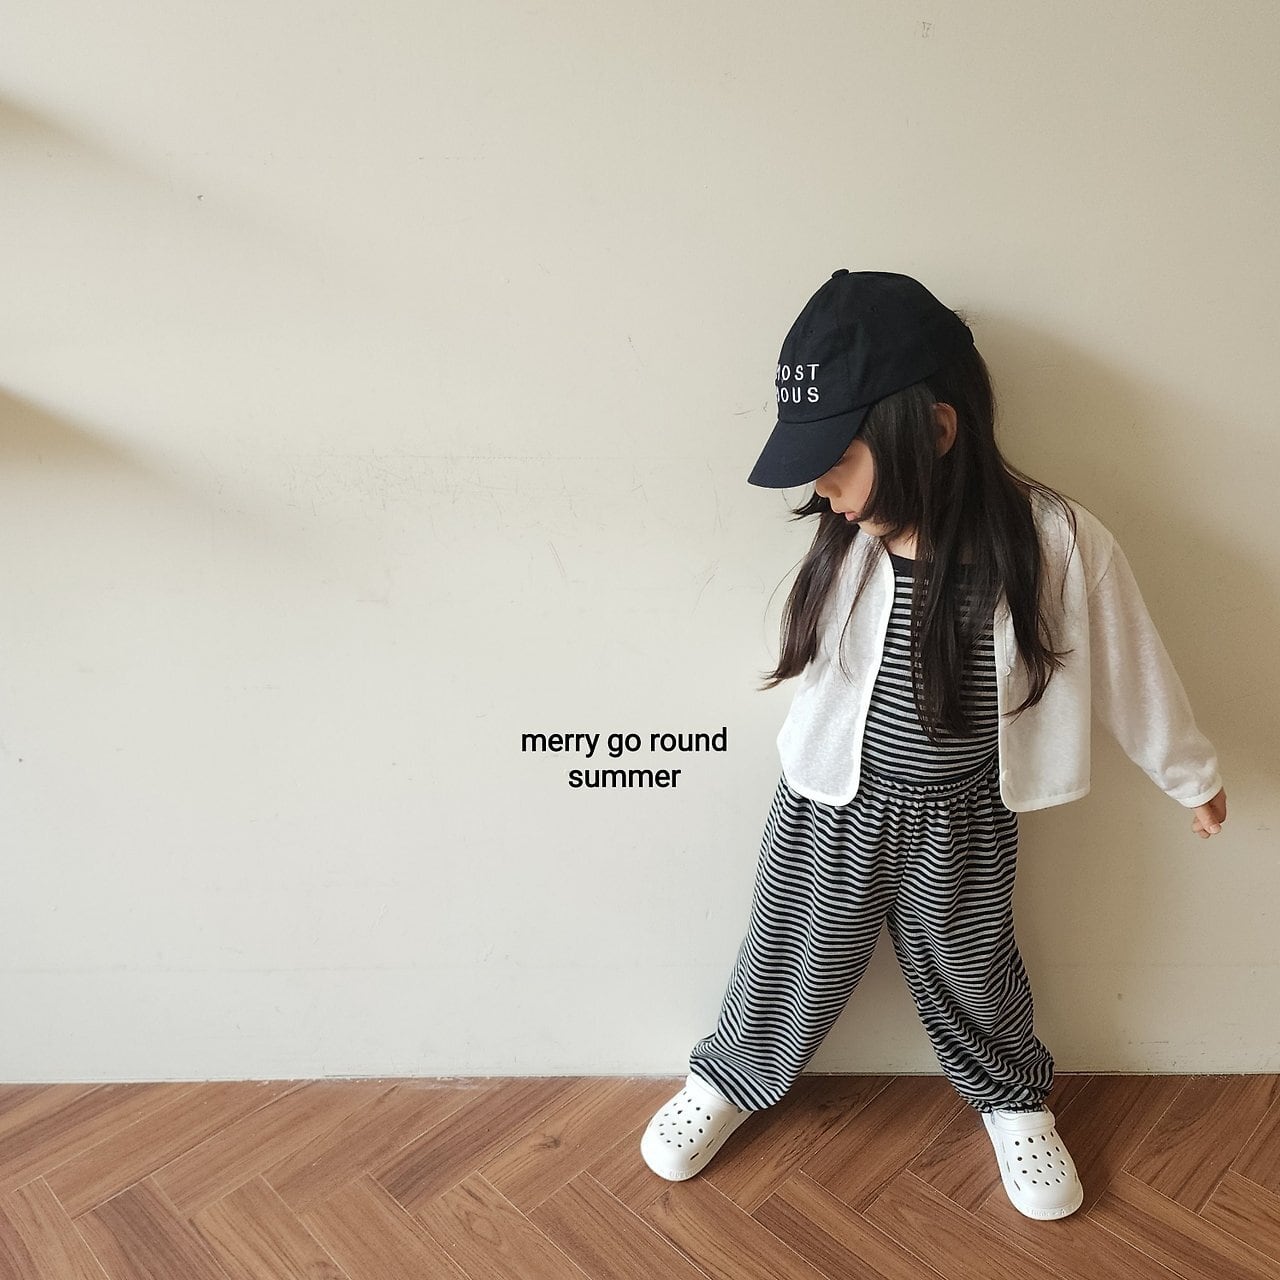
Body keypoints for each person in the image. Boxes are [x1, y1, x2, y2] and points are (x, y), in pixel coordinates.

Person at [639, 270, 1227, 1221]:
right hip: (832, 807)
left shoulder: (1055, 541)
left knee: (974, 967)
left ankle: (1014, 1100)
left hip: (963, 817)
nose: (823, 488)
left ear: (939, 430)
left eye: (837, 459)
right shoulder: (852, 537)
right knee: (793, 951)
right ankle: (730, 1074)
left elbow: (1133, 664)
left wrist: (1189, 774)